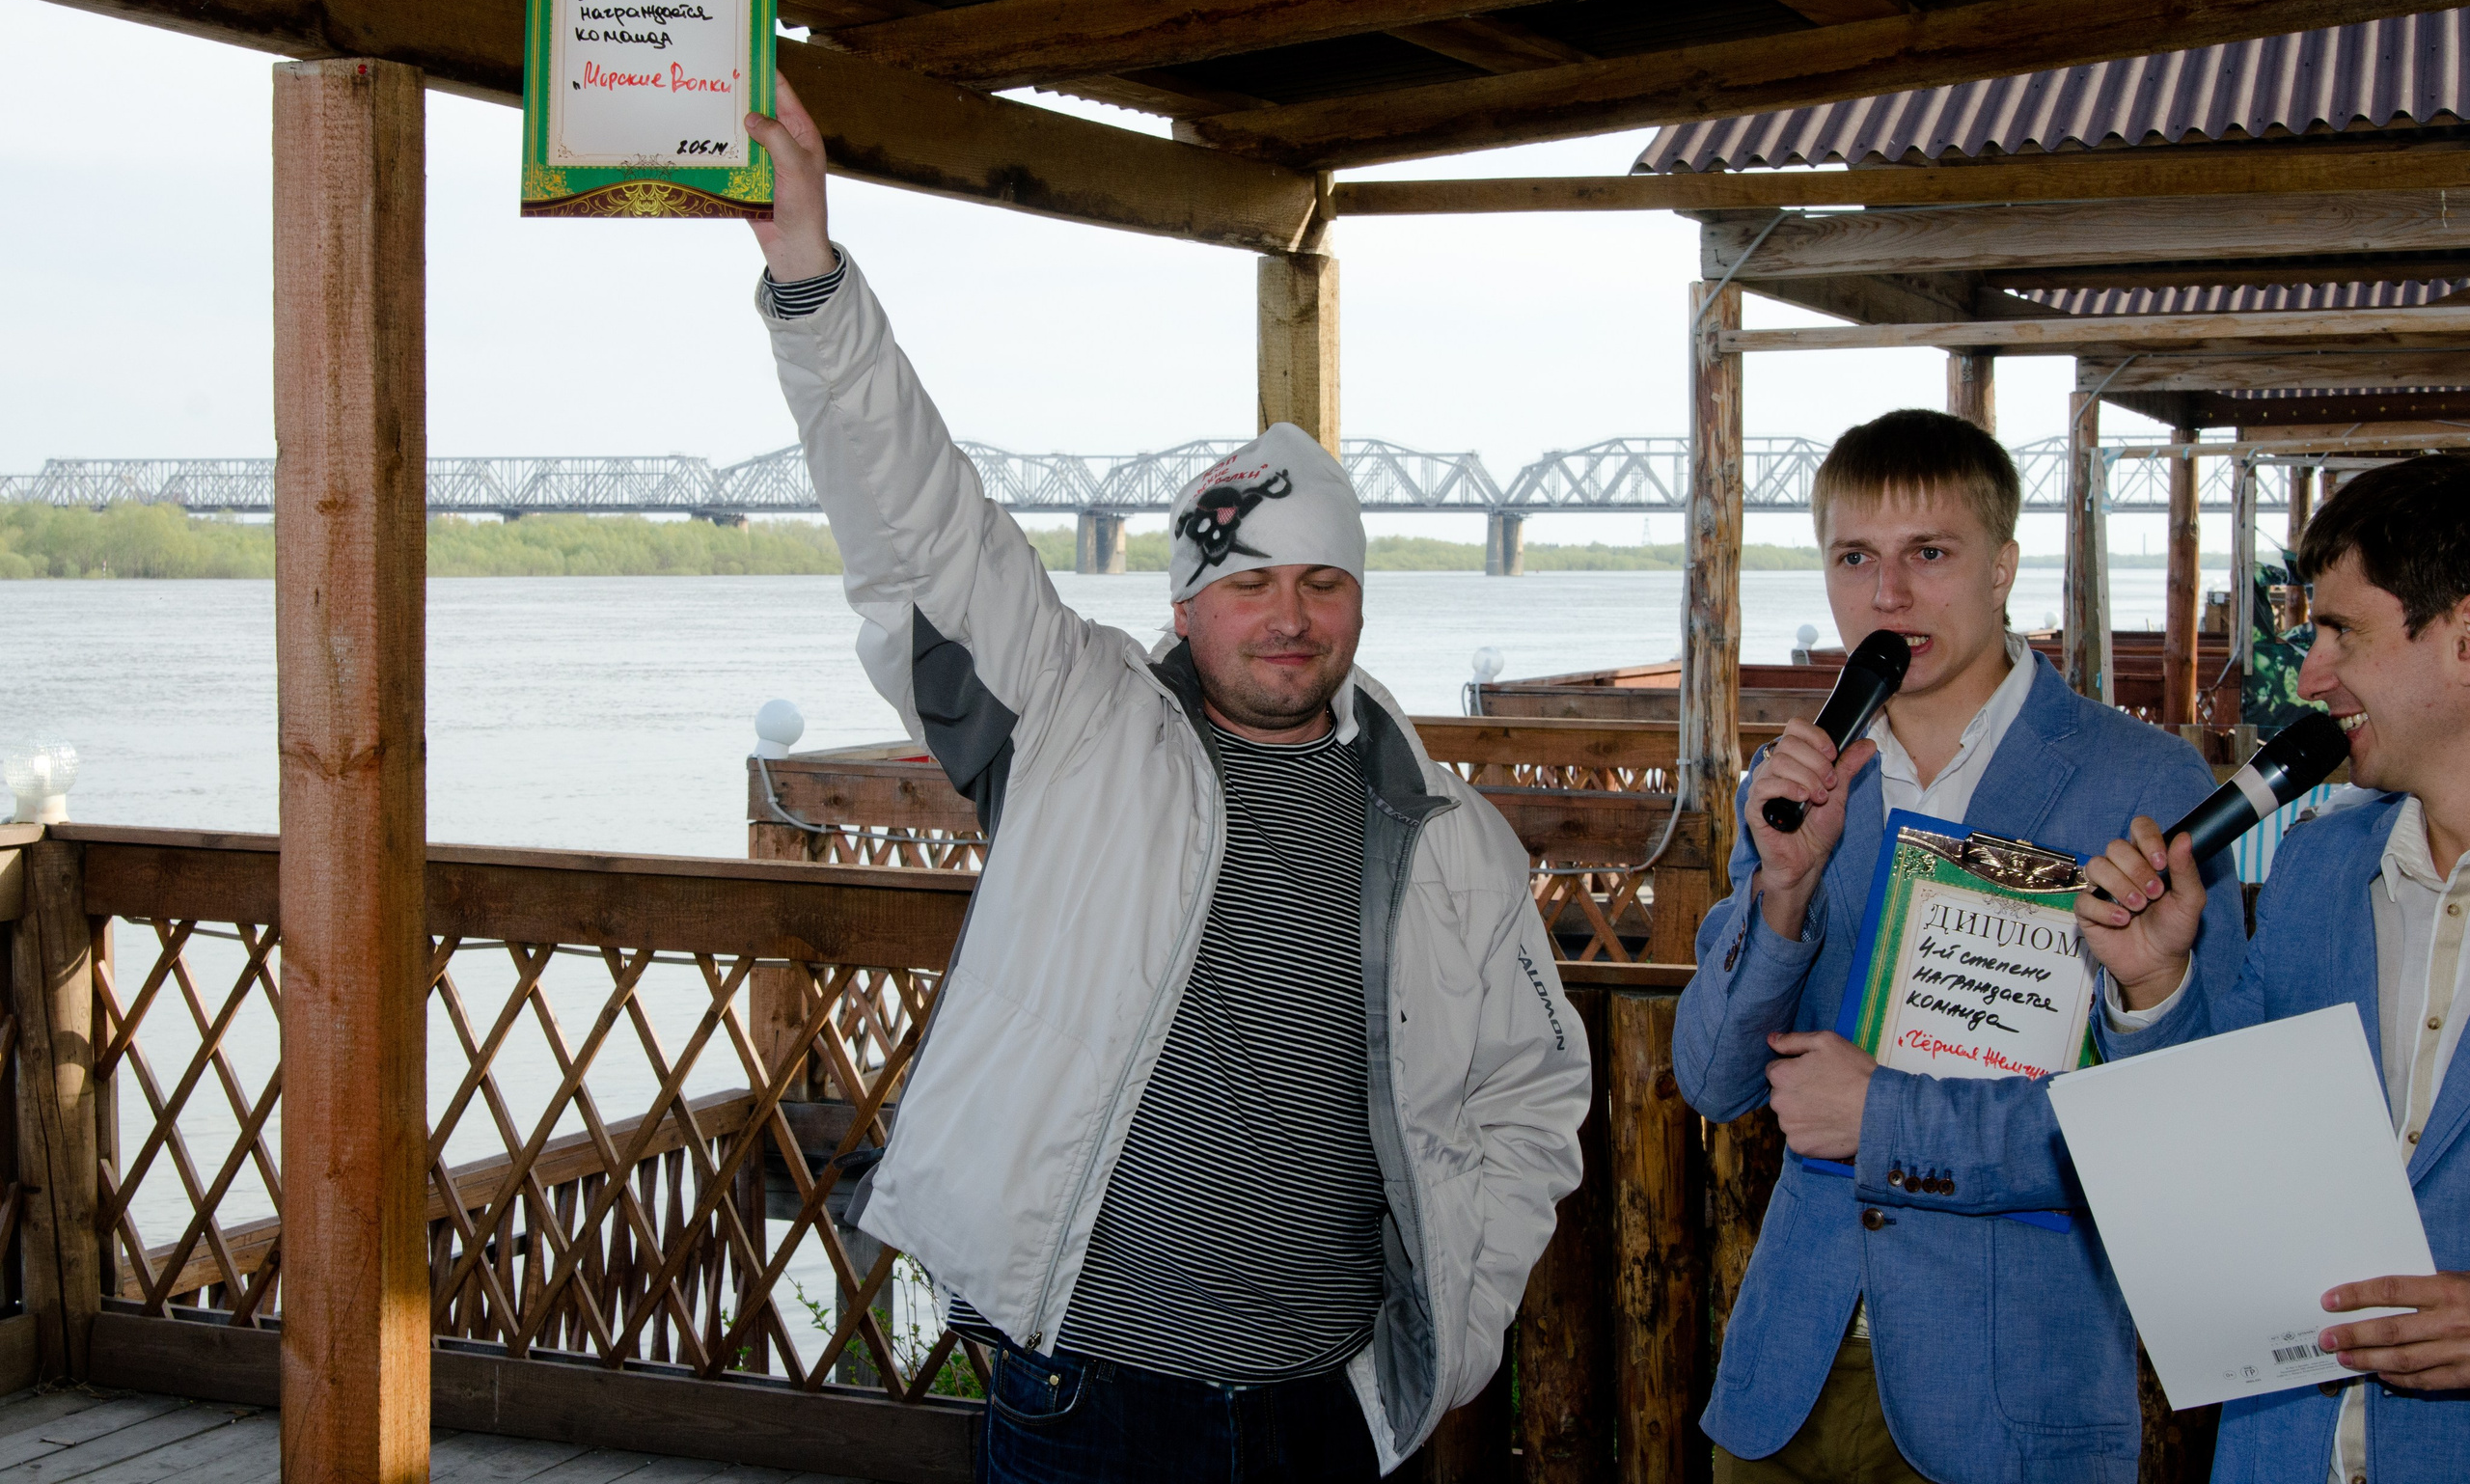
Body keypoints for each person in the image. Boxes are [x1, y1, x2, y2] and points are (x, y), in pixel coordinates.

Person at [739, 82, 1589, 1483]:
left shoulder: (1448, 840)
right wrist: (808, 273)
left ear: (1363, 603)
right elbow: (922, 520)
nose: (1291, 615)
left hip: (1327, 1414)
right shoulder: (1068, 729)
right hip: (1087, 1404)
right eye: (1248, 583)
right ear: (1186, 607)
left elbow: (1530, 1092)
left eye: (1325, 580)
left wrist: (1459, 1333)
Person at [1674, 408, 2248, 1484]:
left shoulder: (2143, 786)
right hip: (1784, 1386)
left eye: (1927, 554)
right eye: (1855, 558)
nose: (1887, 597)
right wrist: (1784, 897)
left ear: (2002, 569)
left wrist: (1880, 1115)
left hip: (2009, 1401)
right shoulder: (1795, 784)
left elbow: (2177, 1132)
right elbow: (1710, 1078)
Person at [2081, 453, 2470, 1484]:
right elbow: (2225, 1156)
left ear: (2465, 638)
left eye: (2342, 630)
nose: (2307, 677)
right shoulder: (2314, 865)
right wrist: (2157, 981)